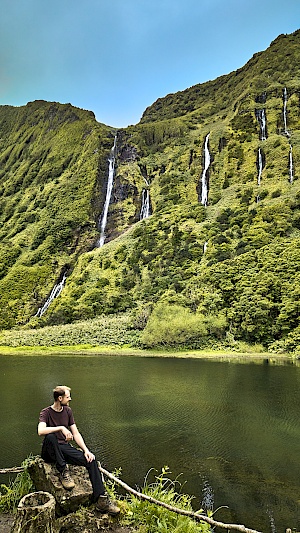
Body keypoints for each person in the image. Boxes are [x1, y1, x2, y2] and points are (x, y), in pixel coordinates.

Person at [38, 385, 120, 515]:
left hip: (63, 448)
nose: (70, 399)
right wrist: (60, 428)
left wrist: (86, 450)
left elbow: (75, 433)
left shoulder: (68, 411)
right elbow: (40, 431)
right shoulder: (46, 412)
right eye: (67, 396)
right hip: (49, 451)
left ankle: (101, 500)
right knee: (51, 436)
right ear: (60, 398)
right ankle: (63, 471)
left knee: (91, 461)